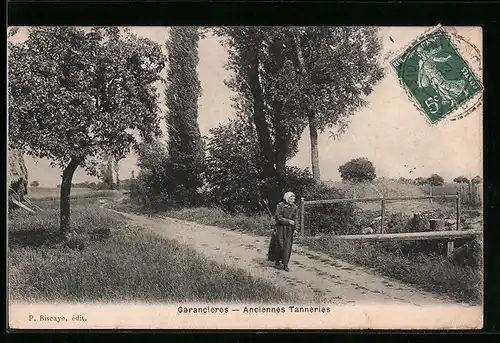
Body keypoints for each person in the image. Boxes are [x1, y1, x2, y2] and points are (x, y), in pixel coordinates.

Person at [268, 191, 298, 272]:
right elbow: (278, 217)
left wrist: (295, 229)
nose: (293, 200)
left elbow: (295, 219)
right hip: (280, 228)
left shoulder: (294, 207)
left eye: (294, 199)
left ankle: (285, 264)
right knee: (279, 244)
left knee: (287, 246)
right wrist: (288, 221)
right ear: (287, 198)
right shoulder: (280, 205)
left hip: (289, 230)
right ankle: (277, 262)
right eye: (291, 199)